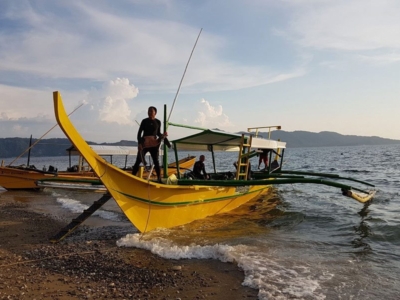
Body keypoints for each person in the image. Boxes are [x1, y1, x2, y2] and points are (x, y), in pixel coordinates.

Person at [132, 106, 167, 182]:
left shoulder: (158, 122)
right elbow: (139, 134)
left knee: (156, 161)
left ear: (155, 113)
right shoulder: (144, 121)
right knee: (138, 160)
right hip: (144, 144)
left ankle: (159, 179)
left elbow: (157, 133)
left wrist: (163, 136)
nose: (150, 113)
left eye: (151, 111)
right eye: (149, 111)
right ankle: (132, 177)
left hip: (154, 145)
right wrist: (139, 143)